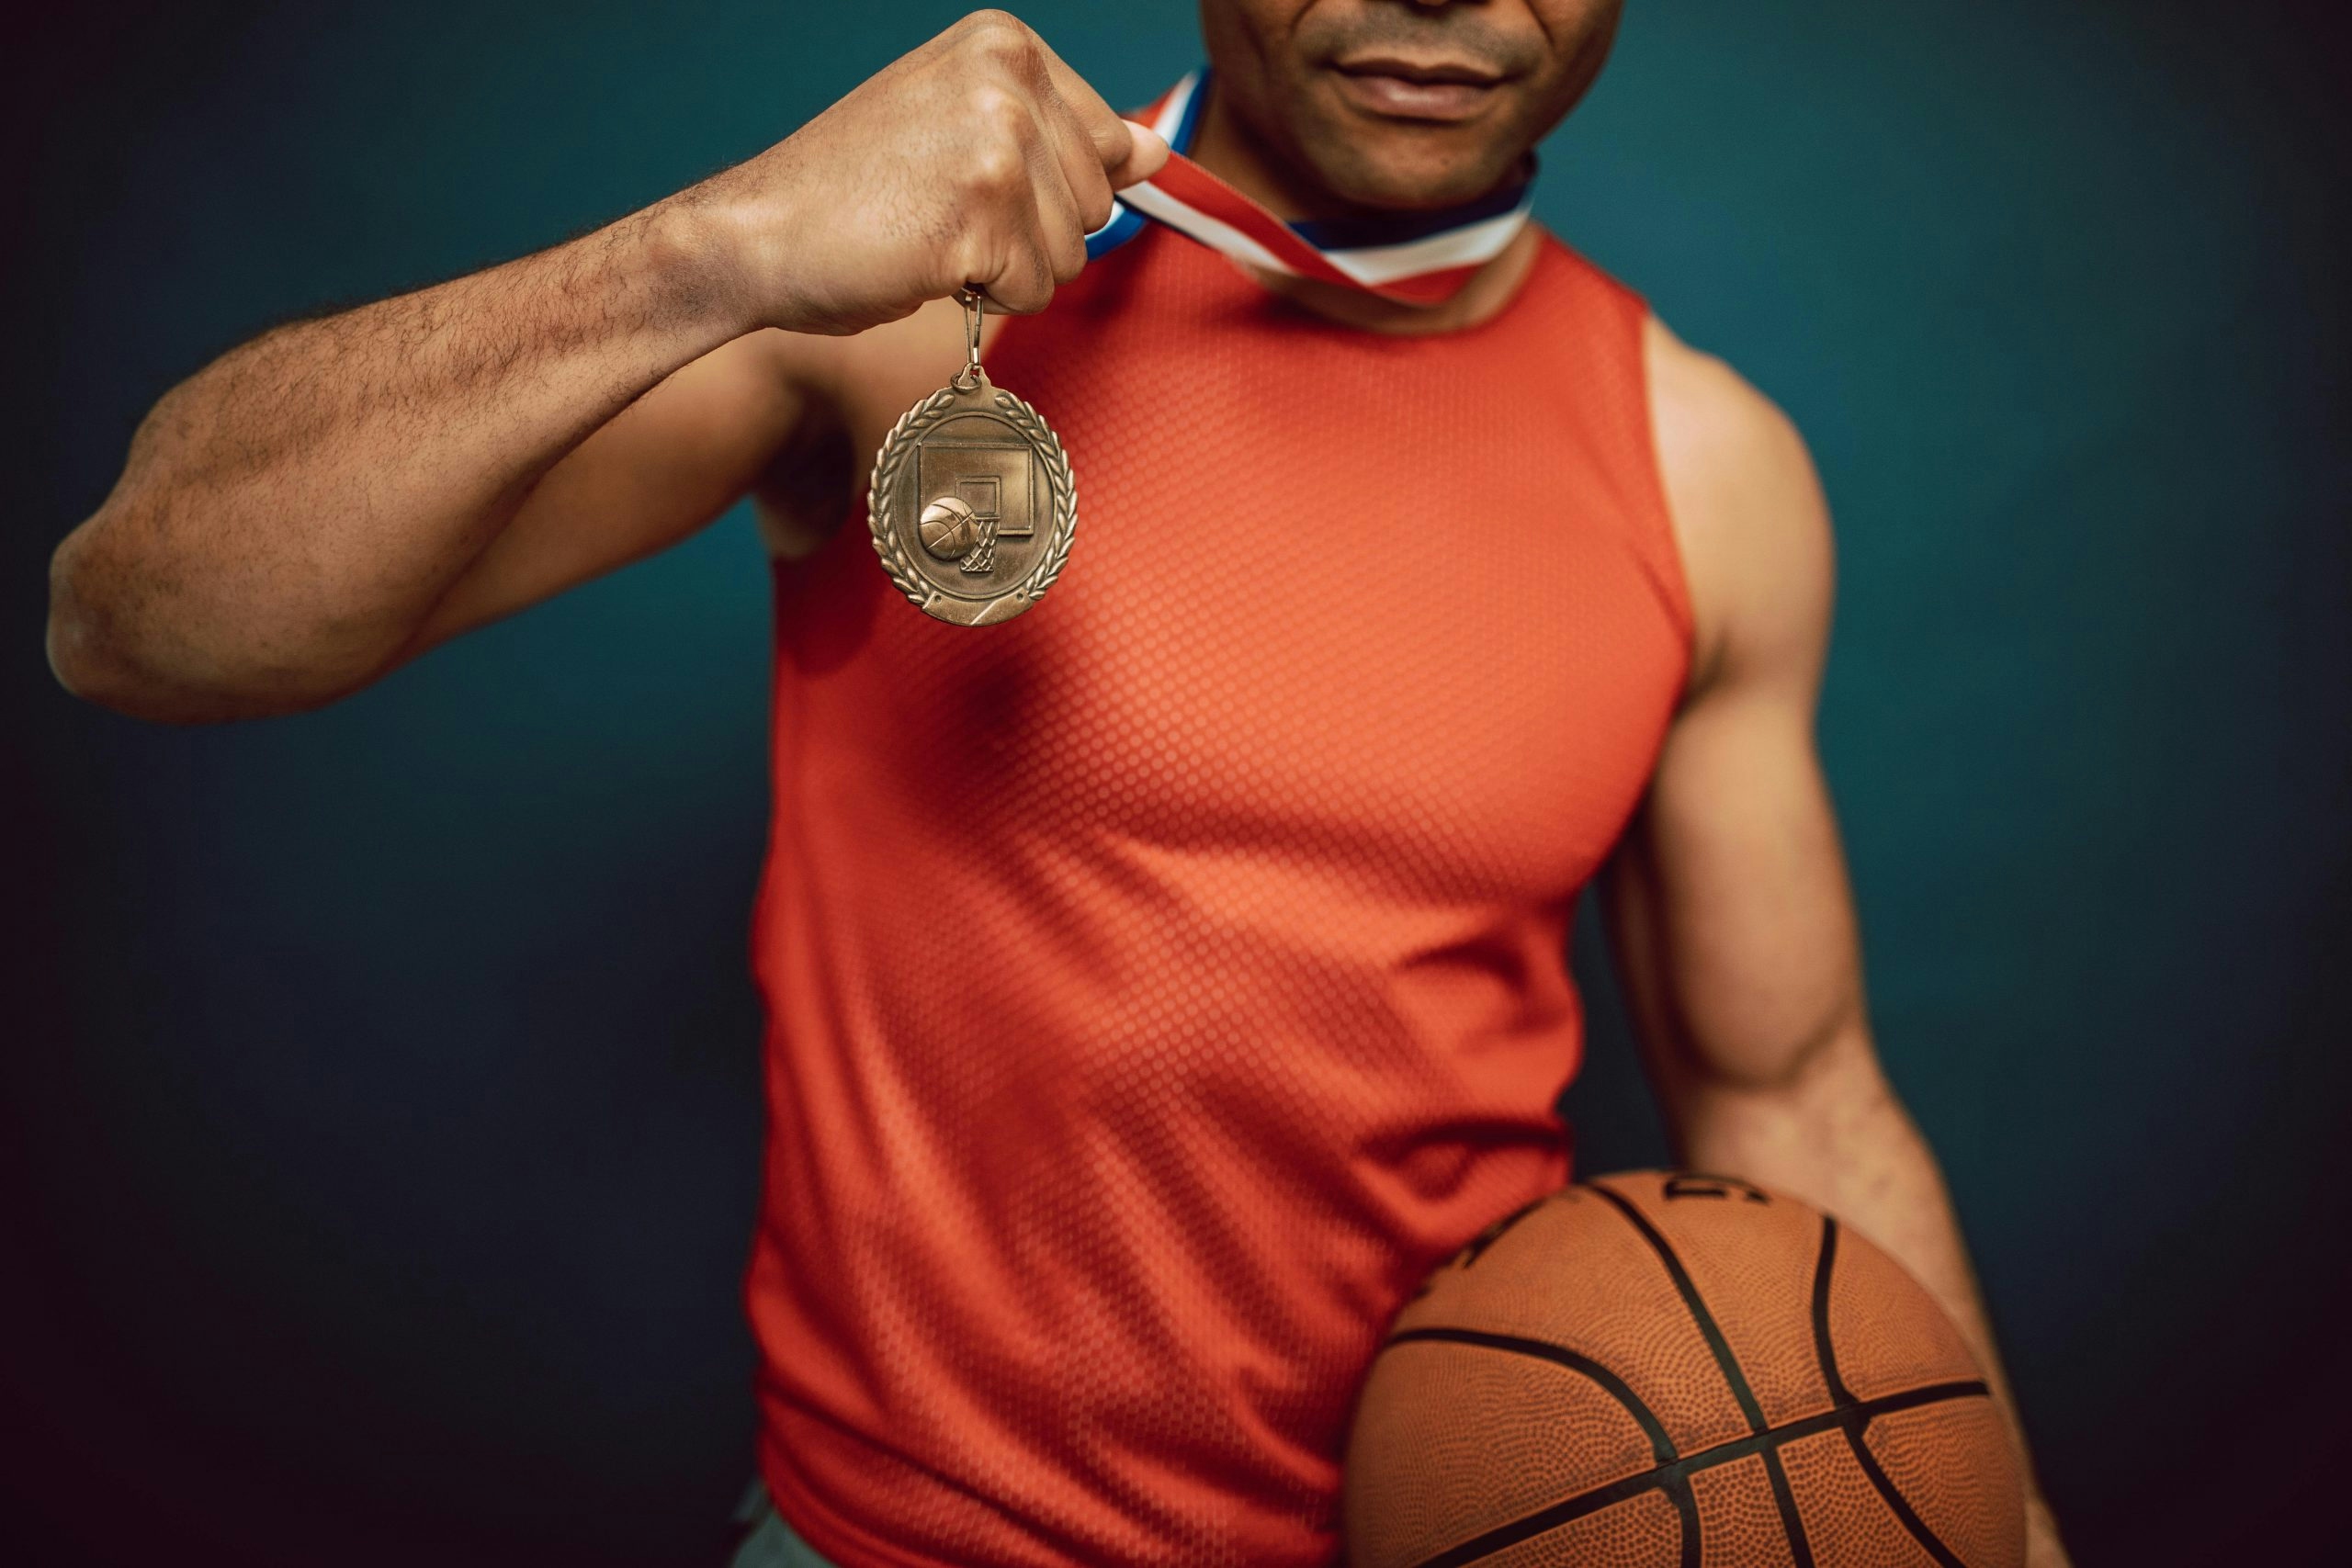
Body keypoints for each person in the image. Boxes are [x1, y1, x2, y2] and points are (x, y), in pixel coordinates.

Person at [45, 4, 2069, 1564]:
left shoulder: (1704, 466)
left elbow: (1785, 1088)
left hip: (1466, 1523)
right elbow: (137, 619)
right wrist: (717, 246)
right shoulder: (907, 308)